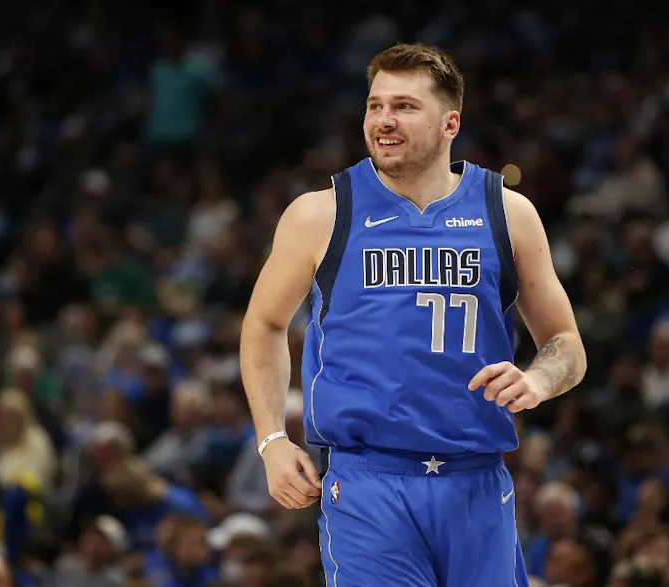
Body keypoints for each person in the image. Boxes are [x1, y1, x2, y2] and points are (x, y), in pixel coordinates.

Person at [239, 43, 587, 586]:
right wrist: (271, 441)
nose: (383, 120)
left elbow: (566, 341)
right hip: (367, 482)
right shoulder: (320, 212)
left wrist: (538, 380)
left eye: (404, 106)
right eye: (375, 106)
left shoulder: (509, 213)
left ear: (451, 122)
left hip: (476, 479)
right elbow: (263, 324)